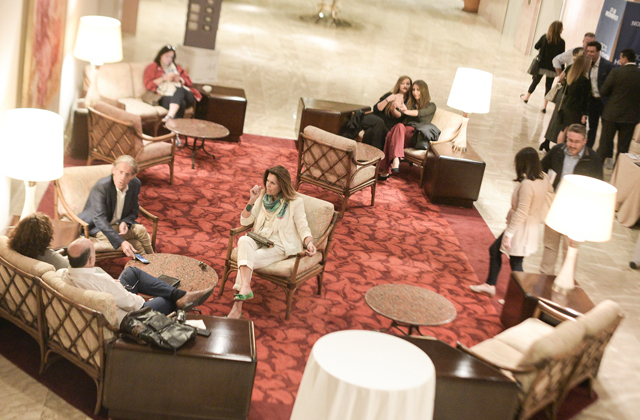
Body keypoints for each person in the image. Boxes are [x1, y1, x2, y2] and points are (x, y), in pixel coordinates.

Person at [228, 166, 316, 319]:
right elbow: (245, 221)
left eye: (272, 183)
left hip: (279, 245)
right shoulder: (263, 196)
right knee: (243, 240)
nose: (267, 186)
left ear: (282, 185)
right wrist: (252, 200)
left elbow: (303, 227)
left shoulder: (295, 202)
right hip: (259, 238)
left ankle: (237, 307)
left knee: (246, 259)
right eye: (267, 181)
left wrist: (309, 243)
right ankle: (245, 287)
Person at [59, 238, 214, 325]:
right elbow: (133, 304)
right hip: (129, 317)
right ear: (91, 259)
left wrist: (115, 285)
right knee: (166, 299)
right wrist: (147, 300)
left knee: (131, 272)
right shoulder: (102, 282)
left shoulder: (61, 275)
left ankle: (179, 295)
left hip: (110, 301)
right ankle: (179, 297)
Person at [470, 148, 550, 296]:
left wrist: (509, 234)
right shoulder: (544, 178)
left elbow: (521, 211)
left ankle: (518, 296)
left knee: (513, 261)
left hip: (521, 228)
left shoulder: (527, 185)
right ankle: (492, 285)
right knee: (502, 253)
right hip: (530, 227)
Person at [539, 124, 603, 275]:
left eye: (577, 142)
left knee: (570, 250)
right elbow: (541, 169)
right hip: (554, 205)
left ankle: (564, 281)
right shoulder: (557, 151)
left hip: (576, 211)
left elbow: (598, 187)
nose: (572, 145)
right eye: (570, 140)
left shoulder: (593, 159)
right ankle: (544, 279)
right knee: (550, 246)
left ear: (585, 141)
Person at [78, 155, 153, 258]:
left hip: (117, 225)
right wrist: (122, 242)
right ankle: (155, 262)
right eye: (120, 172)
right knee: (140, 233)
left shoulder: (135, 184)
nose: (122, 178)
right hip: (98, 228)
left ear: (133, 176)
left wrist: (125, 221)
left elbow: (134, 211)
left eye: (127, 174)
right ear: (114, 170)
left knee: (137, 244)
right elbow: (99, 220)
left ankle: (152, 264)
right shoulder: (102, 187)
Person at [378, 80, 436, 179]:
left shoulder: (431, 106)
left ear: (424, 91)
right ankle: (396, 160)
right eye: (413, 90)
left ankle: (386, 170)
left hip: (414, 135)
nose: (415, 92)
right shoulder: (410, 104)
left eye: (418, 90)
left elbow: (419, 113)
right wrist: (393, 109)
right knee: (397, 128)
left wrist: (406, 111)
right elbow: (400, 114)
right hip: (402, 134)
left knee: (391, 133)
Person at [597, 49, 640, 164]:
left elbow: (604, 91)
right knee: (623, 150)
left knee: (604, 146)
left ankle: (596, 171)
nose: (620, 60)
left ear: (625, 58)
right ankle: (617, 173)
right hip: (630, 118)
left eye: (621, 58)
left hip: (611, 115)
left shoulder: (616, 72)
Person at [143, 45, 202, 123]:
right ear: (161, 55)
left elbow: (189, 82)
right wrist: (164, 79)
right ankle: (176, 128)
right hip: (164, 95)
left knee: (181, 90)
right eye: (167, 56)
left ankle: (170, 116)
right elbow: (148, 85)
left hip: (185, 95)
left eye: (171, 57)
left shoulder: (177, 68)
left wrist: (180, 80)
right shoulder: (153, 67)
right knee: (181, 104)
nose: (169, 59)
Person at [541, 47, 585, 152]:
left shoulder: (570, 67)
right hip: (567, 98)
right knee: (563, 125)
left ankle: (547, 142)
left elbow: (561, 78)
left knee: (557, 121)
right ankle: (555, 147)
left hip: (563, 96)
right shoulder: (576, 69)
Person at [520, 21, 565, 113]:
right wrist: (562, 70)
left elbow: (536, 46)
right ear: (558, 29)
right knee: (548, 86)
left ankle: (526, 97)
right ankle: (544, 106)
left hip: (541, 65)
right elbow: (561, 57)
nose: (562, 29)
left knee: (535, 82)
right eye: (561, 28)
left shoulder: (545, 37)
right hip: (553, 68)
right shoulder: (561, 42)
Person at [360, 76, 412, 151]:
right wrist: (388, 99)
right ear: (398, 84)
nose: (405, 86)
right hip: (373, 119)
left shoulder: (409, 102)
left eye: (407, 84)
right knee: (379, 123)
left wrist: (393, 109)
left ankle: (364, 155)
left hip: (386, 127)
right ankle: (377, 155)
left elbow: (399, 115)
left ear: (410, 86)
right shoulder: (390, 95)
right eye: (402, 83)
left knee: (370, 132)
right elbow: (376, 109)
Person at [554, 54, 591, 145]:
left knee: (563, 130)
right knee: (572, 132)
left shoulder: (571, 77)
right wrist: (584, 114)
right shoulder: (585, 81)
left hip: (566, 105)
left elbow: (565, 92)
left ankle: (559, 149)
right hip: (575, 110)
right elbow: (584, 100)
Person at [584, 41, 615, 149]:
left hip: (605, 102)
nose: (589, 54)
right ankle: (588, 149)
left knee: (607, 129)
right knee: (592, 127)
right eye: (588, 51)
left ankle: (606, 153)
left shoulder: (608, 66)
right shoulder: (586, 64)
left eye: (592, 51)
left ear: (598, 52)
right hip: (593, 101)